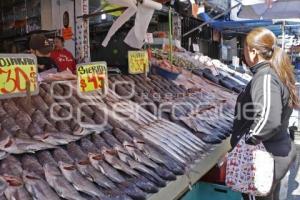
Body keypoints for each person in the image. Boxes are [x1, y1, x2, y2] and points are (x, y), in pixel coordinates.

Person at [230, 27, 298, 200]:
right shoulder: (272, 71)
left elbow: (269, 119)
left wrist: (247, 141)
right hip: (274, 153)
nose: (243, 53)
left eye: (244, 49)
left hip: (264, 158)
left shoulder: (265, 76)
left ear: (253, 52)